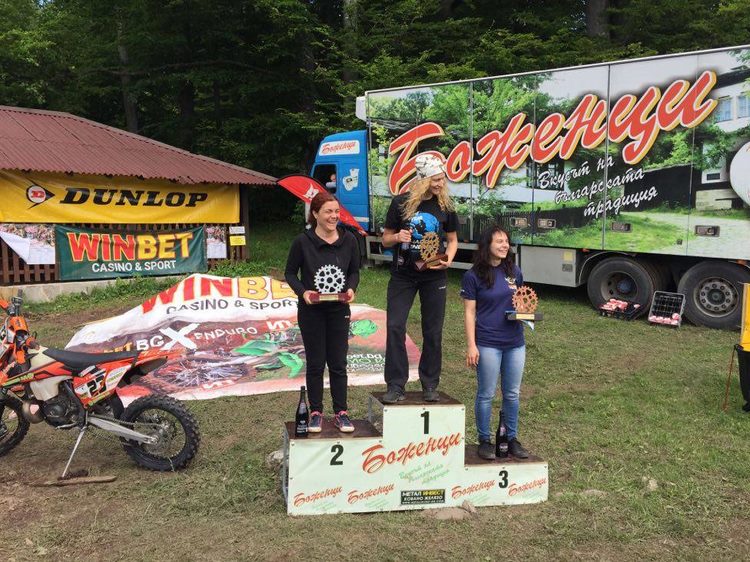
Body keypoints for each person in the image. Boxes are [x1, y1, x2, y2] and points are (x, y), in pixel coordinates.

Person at [381, 153, 458, 403]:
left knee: (433, 331)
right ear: (422, 179)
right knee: (395, 326)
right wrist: (397, 238)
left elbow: (452, 240)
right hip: (403, 275)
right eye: (435, 180)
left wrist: (449, 259)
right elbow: (385, 239)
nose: (440, 184)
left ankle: (430, 384)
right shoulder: (400, 203)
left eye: (442, 179)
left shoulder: (445, 205)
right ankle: (396, 385)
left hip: (434, 277)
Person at [285, 192, 361, 433]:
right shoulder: (302, 242)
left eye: (336, 211)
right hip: (312, 312)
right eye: (328, 211)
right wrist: (303, 292)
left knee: (338, 363)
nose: (333, 216)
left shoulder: (349, 240)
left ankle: (341, 413)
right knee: (316, 363)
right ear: (315, 213)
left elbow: (354, 271)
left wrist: (351, 288)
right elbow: (290, 273)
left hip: (339, 310)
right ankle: (316, 413)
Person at [461, 225, 529, 460]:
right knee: (486, 394)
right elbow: (469, 312)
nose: (504, 245)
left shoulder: (514, 272)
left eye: (506, 241)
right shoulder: (473, 276)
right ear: (487, 244)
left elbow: (520, 302)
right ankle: (484, 440)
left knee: (512, 394)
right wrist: (471, 345)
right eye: (499, 241)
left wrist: (525, 310)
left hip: (515, 343)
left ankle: (511, 438)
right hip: (488, 343)